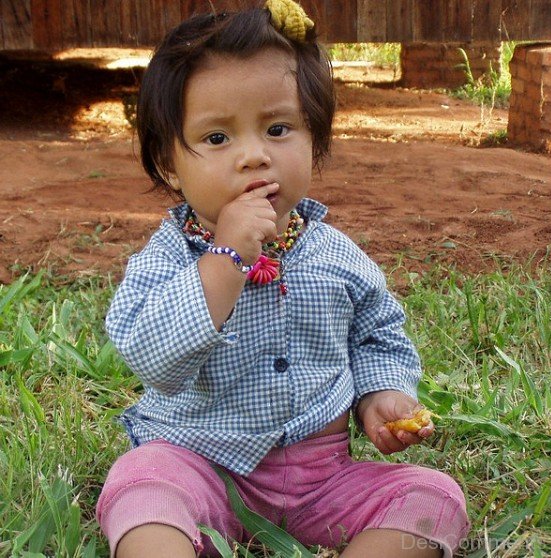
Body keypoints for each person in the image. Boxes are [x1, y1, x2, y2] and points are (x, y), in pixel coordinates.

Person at [96, 1, 469, 556]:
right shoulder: (168, 256)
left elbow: (376, 336)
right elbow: (151, 355)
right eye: (217, 138)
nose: (254, 156)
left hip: (323, 482)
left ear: (314, 141)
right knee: (141, 483)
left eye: (277, 128)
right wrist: (223, 260)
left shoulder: (337, 255)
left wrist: (381, 396)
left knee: (434, 496)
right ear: (169, 163)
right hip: (199, 464)